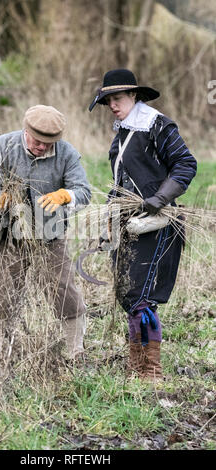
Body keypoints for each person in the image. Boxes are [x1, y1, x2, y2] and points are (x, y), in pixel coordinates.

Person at [89, 69, 197, 381]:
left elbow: (186, 164)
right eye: (108, 100)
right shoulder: (122, 133)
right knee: (129, 294)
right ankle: (135, 367)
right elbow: (120, 183)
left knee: (142, 296)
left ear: (134, 96)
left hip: (157, 223)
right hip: (127, 222)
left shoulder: (156, 125)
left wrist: (160, 199)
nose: (112, 104)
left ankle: (151, 371)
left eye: (118, 98)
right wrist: (110, 223)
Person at [0, 104, 91, 361]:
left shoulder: (66, 154)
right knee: (2, 294)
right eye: (38, 141)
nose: (43, 147)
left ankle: (76, 352)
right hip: (9, 235)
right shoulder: (0, 147)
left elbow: (84, 191)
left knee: (64, 291)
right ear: (25, 130)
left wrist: (66, 195)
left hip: (50, 234)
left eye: (49, 143)